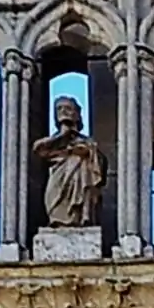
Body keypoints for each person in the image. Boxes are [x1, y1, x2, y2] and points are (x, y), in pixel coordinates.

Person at [36, 96, 105, 229]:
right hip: (58, 176)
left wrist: (87, 153)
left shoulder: (86, 141)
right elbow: (39, 149)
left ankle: (81, 216)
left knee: (83, 166)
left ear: (77, 115)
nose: (63, 112)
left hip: (79, 178)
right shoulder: (54, 140)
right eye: (59, 109)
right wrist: (62, 135)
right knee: (54, 200)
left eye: (68, 108)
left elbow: (100, 169)